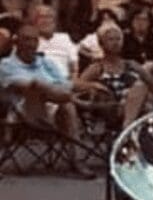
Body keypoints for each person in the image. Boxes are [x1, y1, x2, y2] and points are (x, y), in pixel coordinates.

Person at [0, 22, 92, 177]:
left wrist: (91, 85)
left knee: (67, 104)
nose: (31, 44)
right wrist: (52, 89)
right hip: (27, 112)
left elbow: (66, 83)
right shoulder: (6, 64)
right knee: (36, 86)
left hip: (54, 109)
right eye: (26, 40)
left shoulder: (46, 62)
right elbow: (24, 85)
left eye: (35, 40)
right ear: (16, 42)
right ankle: (76, 102)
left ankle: (77, 160)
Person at [74, 23, 153, 128]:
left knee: (142, 88)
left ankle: (128, 126)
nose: (115, 43)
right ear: (101, 43)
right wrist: (93, 85)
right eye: (111, 39)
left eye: (118, 39)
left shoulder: (132, 65)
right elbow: (76, 85)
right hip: (113, 108)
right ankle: (127, 128)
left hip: (138, 105)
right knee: (140, 88)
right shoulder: (98, 67)